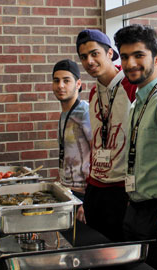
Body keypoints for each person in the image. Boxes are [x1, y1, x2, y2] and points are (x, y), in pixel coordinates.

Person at [114, 24, 157, 270]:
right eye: (124, 57)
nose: (130, 63)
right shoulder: (138, 102)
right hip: (135, 207)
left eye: (138, 55)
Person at [76, 29, 136, 242]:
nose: (89, 61)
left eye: (95, 54)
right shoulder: (93, 93)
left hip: (122, 190)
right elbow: (96, 144)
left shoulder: (131, 86)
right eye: (84, 57)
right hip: (96, 188)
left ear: (110, 53)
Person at [52, 59, 92, 222]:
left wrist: (89, 200)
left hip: (84, 196)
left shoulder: (85, 112)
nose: (60, 85)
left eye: (66, 80)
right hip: (68, 193)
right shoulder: (64, 114)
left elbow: (99, 155)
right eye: (56, 80)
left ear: (78, 84)